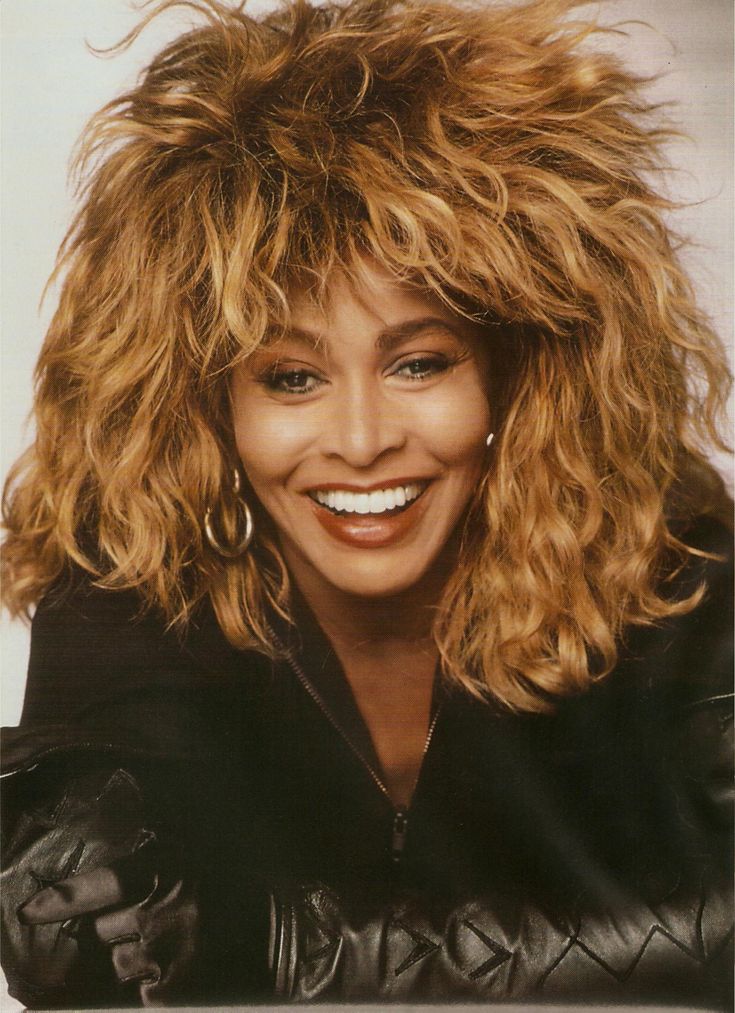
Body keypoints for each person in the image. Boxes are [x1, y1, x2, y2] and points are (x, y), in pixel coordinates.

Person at [1, 0, 732, 1007]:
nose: (359, 437)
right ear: (203, 397)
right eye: (290, 377)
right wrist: (61, 875)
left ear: (521, 369)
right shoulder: (132, 575)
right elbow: (88, 959)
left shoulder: (679, 562)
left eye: (420, 362)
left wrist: (298, 947)